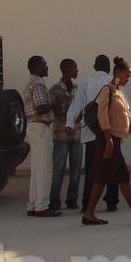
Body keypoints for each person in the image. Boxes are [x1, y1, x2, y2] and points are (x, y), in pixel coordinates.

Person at [82, 56, 131, 227]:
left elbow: (127, 118)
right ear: (117, 73)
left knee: (100, 179)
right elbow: (103, 118)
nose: (128, 79)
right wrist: (109, 141)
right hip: (108, 141)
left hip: (113, 141)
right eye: (127, 75)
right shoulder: (107, 91)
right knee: (123, 176)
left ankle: (89, 214)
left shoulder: (118, 93)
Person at [65, 55, 120, 213]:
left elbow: (76, 106)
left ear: (95, 66)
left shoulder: (84, 84)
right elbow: (125, 105)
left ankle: (87, 202)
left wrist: (69, 123)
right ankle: (111, 201)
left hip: (91, 133)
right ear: (109, 68)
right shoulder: (115, 83)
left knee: (92, 169)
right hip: (112, 131)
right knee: (112, 168)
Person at [22, 55, 59, 218]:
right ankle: (42, 206)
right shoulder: (37, 84)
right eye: (44, 64)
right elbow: (41, 108)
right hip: (40, 127)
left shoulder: (31, 83)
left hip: (33, 127)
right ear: (37, 67)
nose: (47, 67)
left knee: (37, 169)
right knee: (44, 169)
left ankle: (33, 204)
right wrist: (54, 104)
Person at [48, 58, 83, 211]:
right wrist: (71, 116)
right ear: (68, 70)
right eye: (75, 68)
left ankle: (72, 199)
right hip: (61, 134)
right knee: (59, 169)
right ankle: (54, 200)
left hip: (76, 134)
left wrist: (77, 115)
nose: (77, 71)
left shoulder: (77, 88)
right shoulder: (54, 89)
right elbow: (55, 111)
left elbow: (81, 108)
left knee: (76, 169)